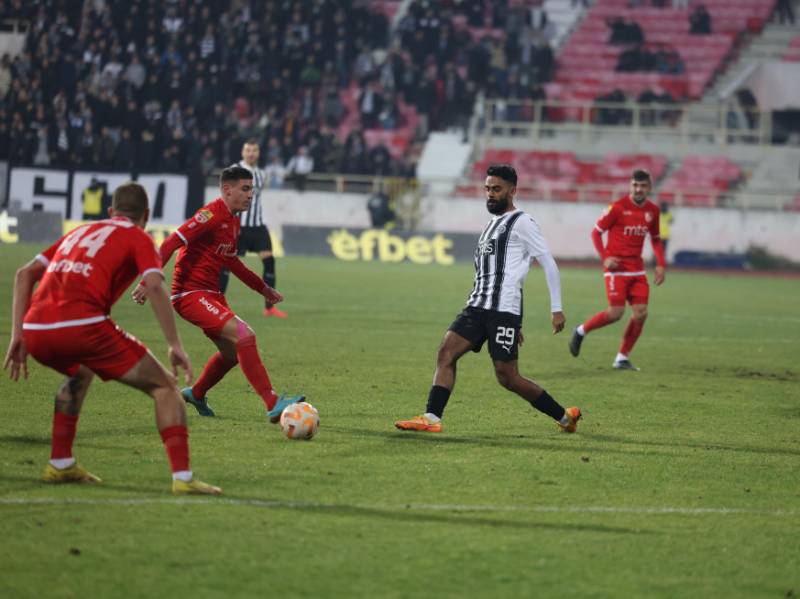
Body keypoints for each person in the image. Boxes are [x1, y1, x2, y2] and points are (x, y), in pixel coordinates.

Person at [3, 182, 221, 495]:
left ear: (110, 211)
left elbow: (24, 274)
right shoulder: (138, 237)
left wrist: (18, 334)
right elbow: (156, 286)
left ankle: (60, 464)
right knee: (165, 387)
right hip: (83, 326)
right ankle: (183, 478)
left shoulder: (79, 232)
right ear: (146, 215)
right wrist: (175, 344)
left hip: (36, 329)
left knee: (81, 371)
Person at [395, 165, 581, 434]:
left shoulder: (523, 222)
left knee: (507, 377)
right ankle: (432, 417)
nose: (490, 194)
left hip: (502, 311)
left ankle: (564, 417)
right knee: (446, 352)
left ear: (512, 191)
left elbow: (548, 263)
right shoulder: (491, 225)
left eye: (497, 189)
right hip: (477, 306)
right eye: (487, 189)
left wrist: (556, 309)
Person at [134, 165, 304, 420]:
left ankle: (197, 393)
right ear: (227, 189)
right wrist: (148, 280)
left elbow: (232, 262)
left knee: (231, 354)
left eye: (252, 190)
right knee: (245, 336)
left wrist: (263, 289)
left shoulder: (234, 221)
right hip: (189, 295)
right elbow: (171, 242)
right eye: (245, 189)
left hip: (210, 295)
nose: (250, 195)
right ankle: (272, 402)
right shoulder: (210, 215)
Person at [568, 170, 666, 371]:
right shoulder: (617, 208)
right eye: (635, 185)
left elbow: (655, 239)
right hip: (616, 269)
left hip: (637, 270)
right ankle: (580, 330)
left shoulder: (653, 211)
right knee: (616, 313)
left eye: (643, 186)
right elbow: (596, 233)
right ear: (630, 186)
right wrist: (605, 258)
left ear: (649, 187)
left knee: (640, 314)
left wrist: (660, 264)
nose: (638, 189)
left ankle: (622, 358)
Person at [219, 139, 286, 318]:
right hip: (238, 226)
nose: (251, 154)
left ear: (258, 153)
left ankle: (269, 308)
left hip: (257, 226)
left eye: (254, 151)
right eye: (248, 150)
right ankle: (217, 304)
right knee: (226, 265)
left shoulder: (262, 174)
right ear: (242, 152)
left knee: (269, 262)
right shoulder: (233, 171)